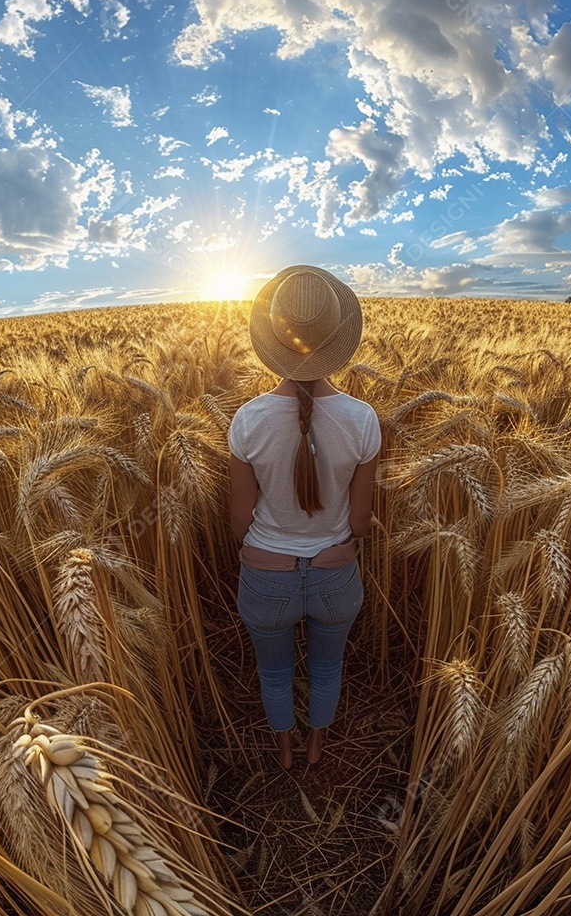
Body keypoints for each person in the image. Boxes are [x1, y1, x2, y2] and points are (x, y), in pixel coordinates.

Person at [228, 266, 381, 768]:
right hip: (335, 574)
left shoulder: (248, 420)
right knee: (327, 668)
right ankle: (317, 747)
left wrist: (267, 546)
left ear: (272, 340)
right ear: (337, 340)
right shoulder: (362, 419)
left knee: (274, 673)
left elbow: (238, 519)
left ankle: (286, 751)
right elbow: (359, 522)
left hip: (265, 576)